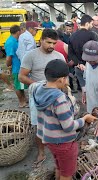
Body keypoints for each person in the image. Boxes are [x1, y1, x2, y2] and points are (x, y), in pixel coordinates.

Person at [32, 59, 96, 180]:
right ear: (61, 79)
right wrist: (84, 119)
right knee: (67, 174)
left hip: (49, 139)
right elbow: (68, 126)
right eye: (66, 78)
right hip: (63, 143)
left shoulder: (39, 89)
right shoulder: (59, 98)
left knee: (59, 167)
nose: (67, 81)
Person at [19, 29, 65, 168]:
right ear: (41, 40)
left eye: (54, 43)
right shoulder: (31, 56)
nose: (51, 46)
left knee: (59, 122)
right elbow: (22, 76)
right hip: (38, 94)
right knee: (38, 124)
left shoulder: (59, 56)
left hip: (56, 96)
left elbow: (64, 77)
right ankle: (41, 152)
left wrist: (64, 91)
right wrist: (39, 86)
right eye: (48, 42)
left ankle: (59, 147)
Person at [68, 14, 97, 97]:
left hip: (78, 67)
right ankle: (93, 106)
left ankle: (87, 104)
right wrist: (86, 63)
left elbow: (70, 53)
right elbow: (95, 51)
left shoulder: (72, 36)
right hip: (91, 67)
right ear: (87, 24)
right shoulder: (92, 35)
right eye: (91, 24)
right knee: (93, 90)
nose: (92, 26)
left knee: (84, 89)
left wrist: (78, 63)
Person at [5, 25, 28, 107]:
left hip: (19, 66)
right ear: (18, 32)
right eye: (21, 31)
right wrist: (8, 66)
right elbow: (9, 57)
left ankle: (24, 99)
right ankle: (21, 102)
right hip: (16, 67)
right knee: (18, 86)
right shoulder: (11, 42)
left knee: (21, 85)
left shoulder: (16, 40)